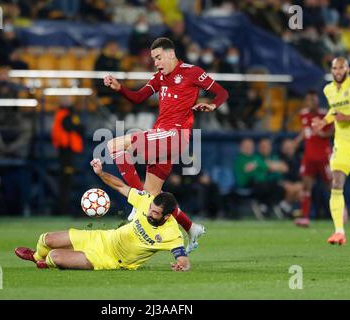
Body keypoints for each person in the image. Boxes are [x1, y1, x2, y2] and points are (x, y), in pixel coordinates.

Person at [103, 37, 229, 252]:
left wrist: (212, 105)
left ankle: (136, 199)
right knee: (152, 200)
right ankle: (191, 228)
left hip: (174, 135)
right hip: (163, 137)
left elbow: (222, 92)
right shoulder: (160, 77)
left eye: (159, 57)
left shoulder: (192, 72)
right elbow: (137, 97)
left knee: (114, 146)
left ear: (171, 54)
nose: (156, 63)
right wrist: (119, 88)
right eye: (154, 59)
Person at [14, 158, 190, 271]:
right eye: (151, 208)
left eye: (155, 213)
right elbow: (121, 186)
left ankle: (48, 262)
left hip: (109, 258)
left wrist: (182, 266)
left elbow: (183, 258)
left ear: (167, 216)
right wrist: (100, 173)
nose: (150, 213)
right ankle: (36, 257)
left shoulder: (172, 233)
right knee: (47, 240)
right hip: (102, 238)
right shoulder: (146, 200)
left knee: (54, 256)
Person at [312, 57, 350, 245]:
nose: (338, 71)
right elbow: (334, 110)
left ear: (348, 68)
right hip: (342, 144)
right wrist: (324, 121)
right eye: (335, 68)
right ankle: (339, 232)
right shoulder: (328, 89)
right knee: (336, 184)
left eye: (341, 67)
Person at [293, 90, 334, 227]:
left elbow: (334, 129)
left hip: (323, 157)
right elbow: (305, 131)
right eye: (309, 100)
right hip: (309, 156)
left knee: (331, 186)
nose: (312, 103)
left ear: (318, 101)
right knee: (306, 186)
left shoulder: (324, 115)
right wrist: (297, 141)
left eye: (314, 100)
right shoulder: (303, 114)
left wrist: (323, 133)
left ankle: (342, 212)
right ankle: (305, 217)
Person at [51, 97, 84, 215]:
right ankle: (64, 208)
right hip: (66, 152)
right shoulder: (66, 115)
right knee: (66, 180)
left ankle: (64, 207)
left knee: (66, 180)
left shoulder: (61, 115)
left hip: (66, 151)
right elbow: (78, 128)